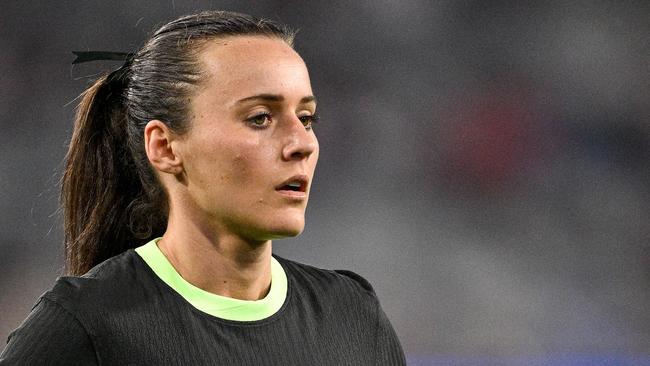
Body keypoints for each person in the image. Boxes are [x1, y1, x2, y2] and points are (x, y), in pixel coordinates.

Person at [0, 10, 406, 366]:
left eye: (306, 117)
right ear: (165, 147)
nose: (301, 142)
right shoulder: (85, 324)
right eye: (261, 118)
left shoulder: (352, 315)